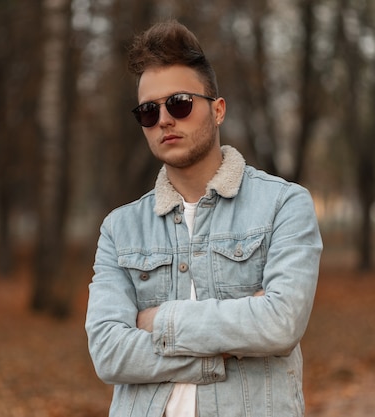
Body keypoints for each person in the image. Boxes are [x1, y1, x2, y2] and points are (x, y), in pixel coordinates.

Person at [85, 19, 322, 417]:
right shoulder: (119, 229)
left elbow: (280, 323)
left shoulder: (284, 205)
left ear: (217, 110)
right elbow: (108, 354)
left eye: (179, 103)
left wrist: (158, 320)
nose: (164, 120)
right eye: (148, 111)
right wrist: (224, 350)